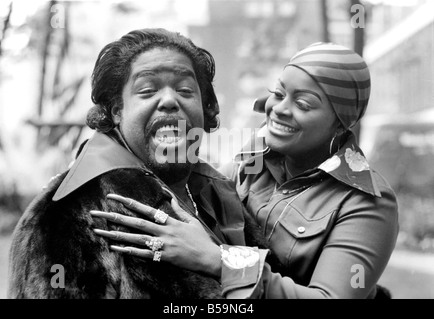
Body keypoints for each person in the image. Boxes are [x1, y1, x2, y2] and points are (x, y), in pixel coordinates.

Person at [92, 42, 399, 299]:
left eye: (303, 103)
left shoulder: (367, 201)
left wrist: (219, 261)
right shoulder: (255, 157)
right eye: (278, 93)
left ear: (342, 122)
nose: (279, 109)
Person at [7, 28, 260, 299]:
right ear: (117, 111)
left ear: (205, 107)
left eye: (185, 90)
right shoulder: (66, 214)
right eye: (148, 90)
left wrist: (221, 260)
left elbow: (281, 282)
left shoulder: (217, 191)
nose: (169, 101)